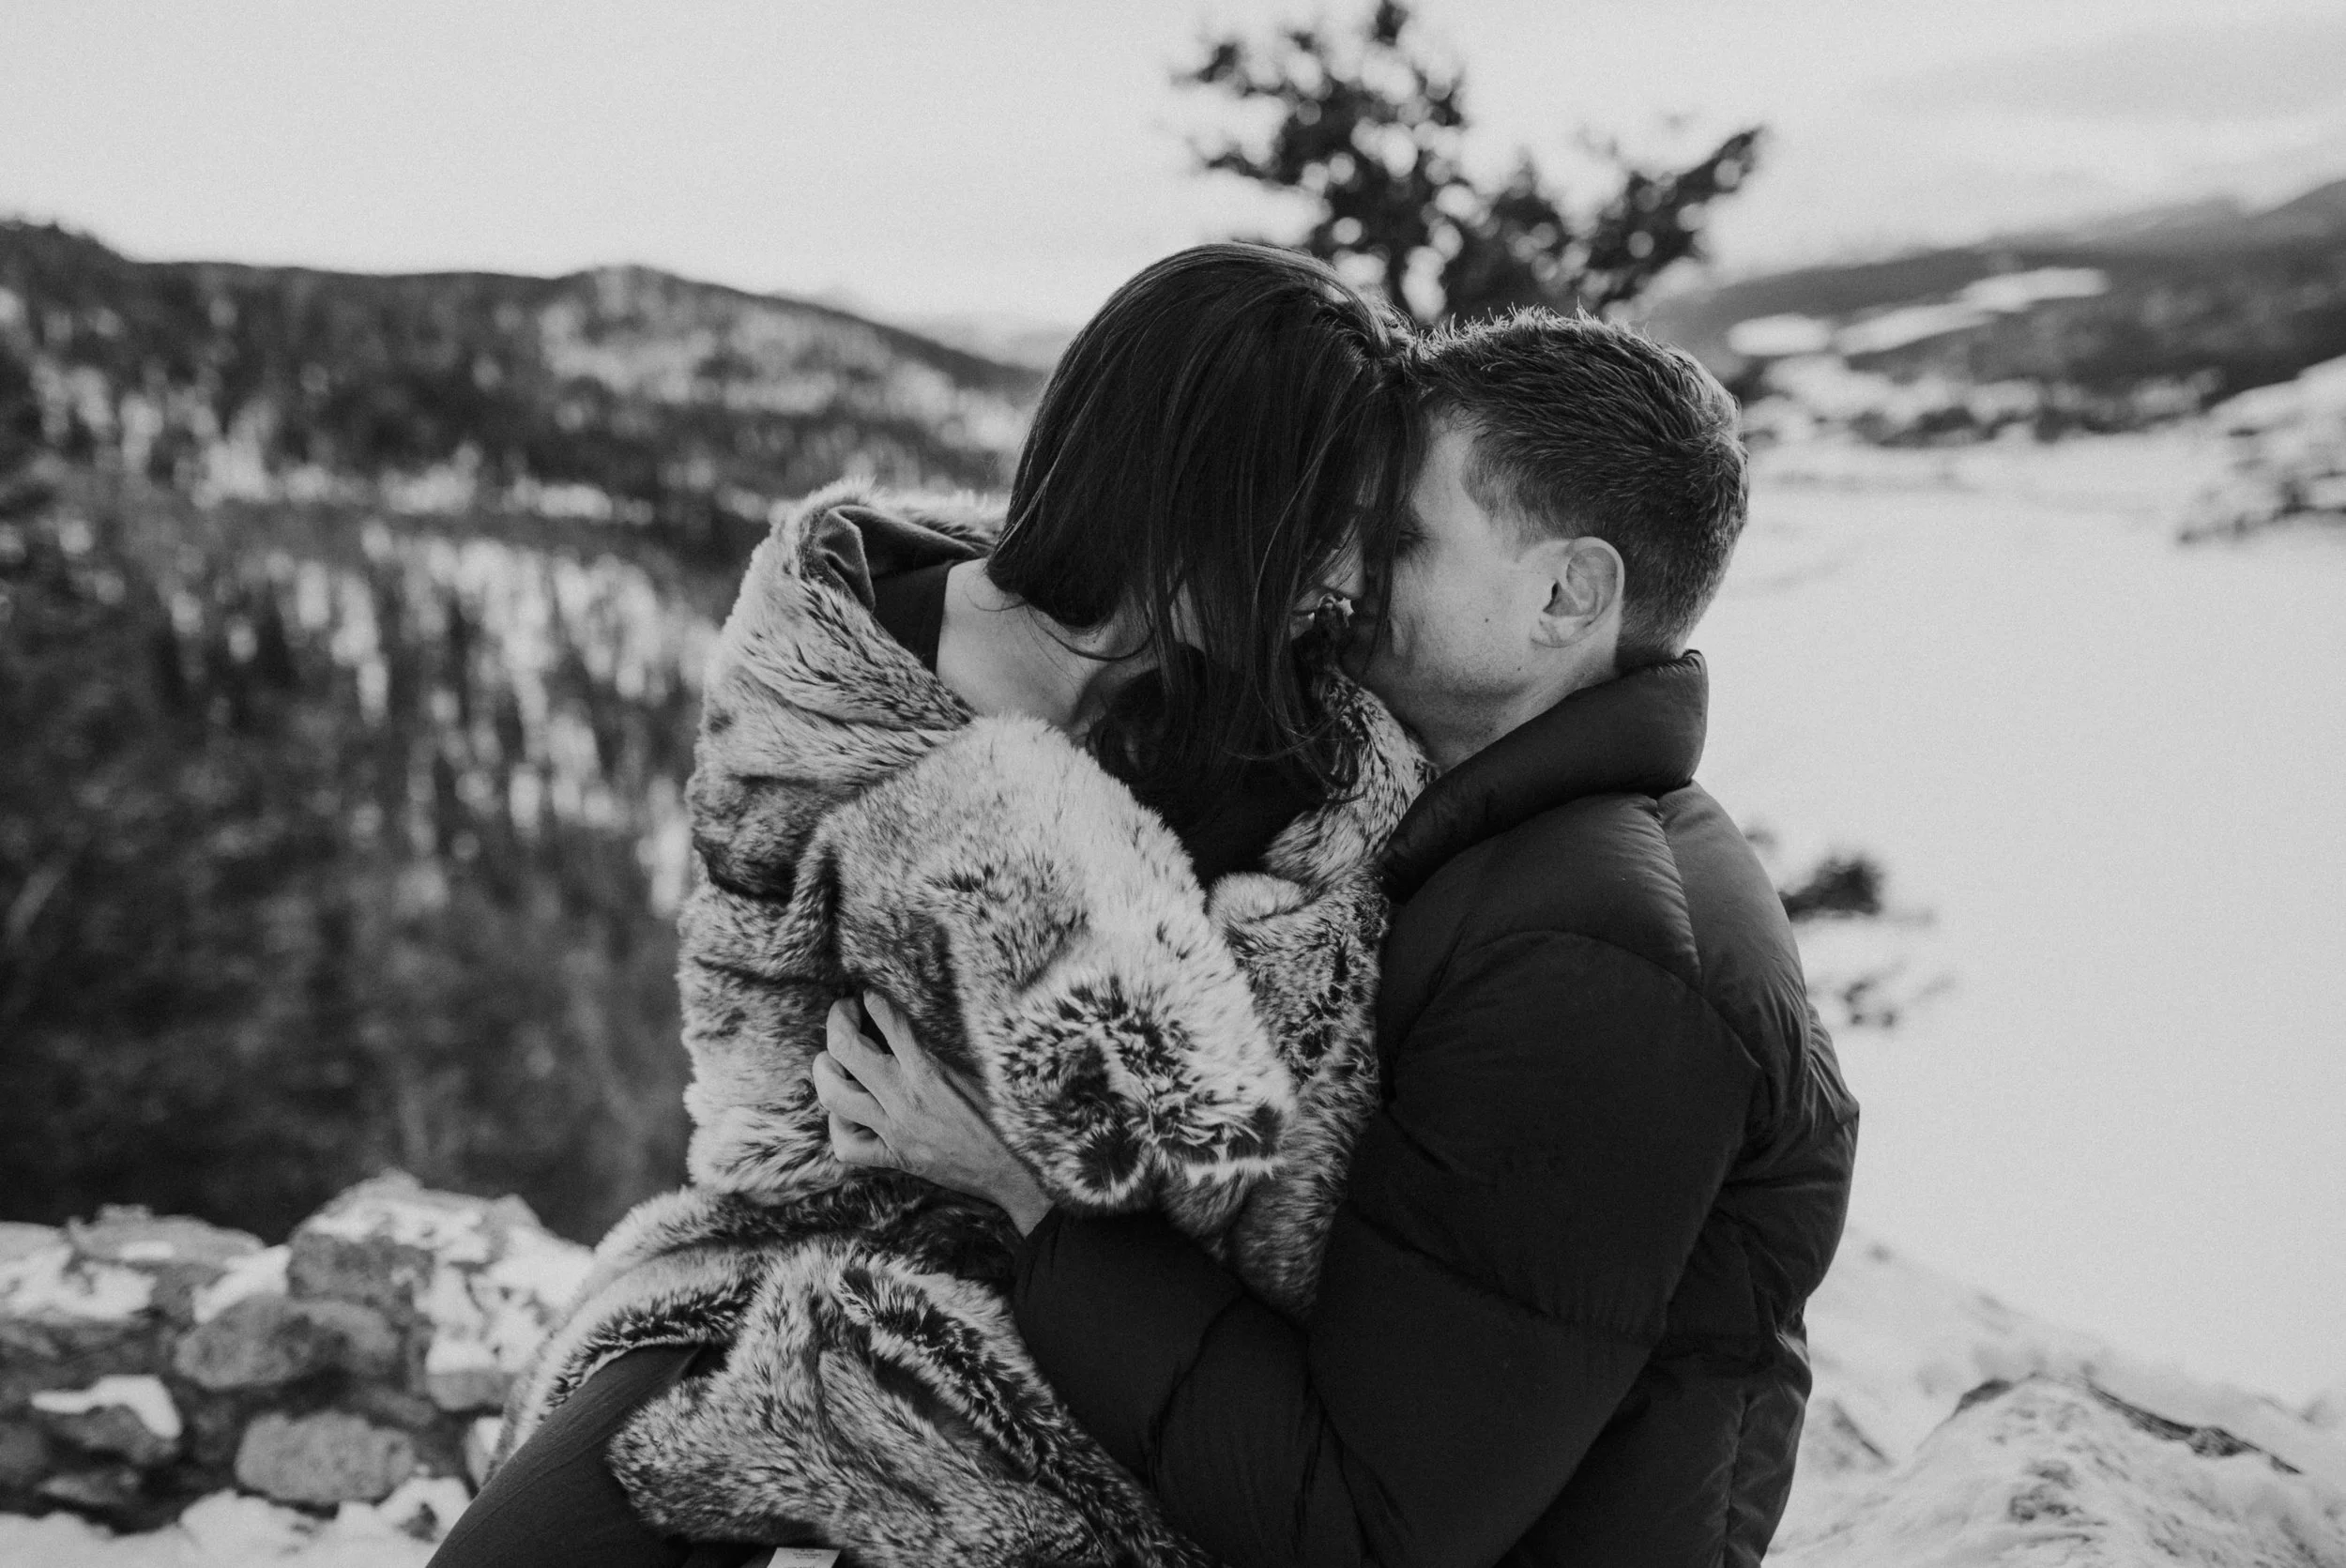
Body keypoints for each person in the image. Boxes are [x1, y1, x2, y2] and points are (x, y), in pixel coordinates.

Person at [432, 242, 1430, 1568]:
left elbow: (1256, 1145)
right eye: (1319, 521)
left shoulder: (1289, 753)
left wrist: (1015, 1160)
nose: (1340, 576)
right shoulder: (842, 661)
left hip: (1085, 1314)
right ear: (1205, 486)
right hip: (791, 1239)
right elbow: (757, 1032)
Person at [826, 311, 1860, 1567]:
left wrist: (1028, 1198)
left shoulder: (1598, 964)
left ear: (1567, 595)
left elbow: (1363, 1526)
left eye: (1400, 541)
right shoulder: (1499, 838)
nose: (1348, 576)